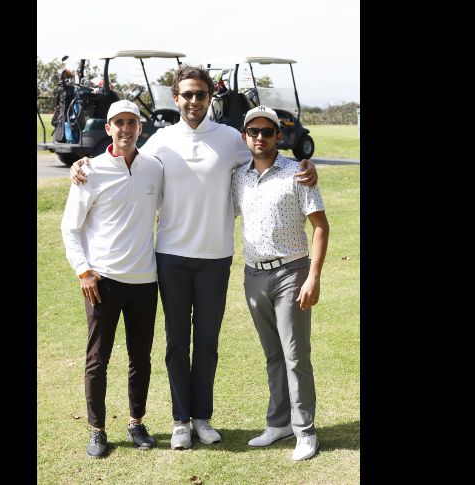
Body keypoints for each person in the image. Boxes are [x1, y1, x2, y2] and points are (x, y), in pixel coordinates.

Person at [69, 65, 318, 450]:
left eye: (200, 95)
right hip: (169, 257)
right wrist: (82, 163)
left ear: (209, 98)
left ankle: (202, 418)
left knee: (206, 341)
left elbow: (266, 158)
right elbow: (123, 158)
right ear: (176, 98)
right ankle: (180, 421)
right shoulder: (160, 141)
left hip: (216, 257)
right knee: (174, 342)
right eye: (186, 95)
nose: (193, 101)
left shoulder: (232, 140)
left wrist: (307, 169)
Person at [60, 100, 163, 459]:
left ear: (139, 127)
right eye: (118, 122)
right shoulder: (91, 171)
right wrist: (83, 271)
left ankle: (136, 422)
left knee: (141, 357)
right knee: (98, 359)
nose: (125, 129)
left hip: (145, 280)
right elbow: (70, 228)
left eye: (131, 122)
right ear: (108, 129)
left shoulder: (154, 168)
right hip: (102, 281)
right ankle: (97, 429)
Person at [232, 106, 329, 462]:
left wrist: (313, 277)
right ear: (245, 137)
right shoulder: (238, 176)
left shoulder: (298, 173)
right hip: (253, 274)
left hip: (292, 273)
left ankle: (305, 431)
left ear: (279, 136)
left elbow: (321, 226)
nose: (260, 137)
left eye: (267, 132)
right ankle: (279, 423)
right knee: (273, 355)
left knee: (294, 355)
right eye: (253, 131)